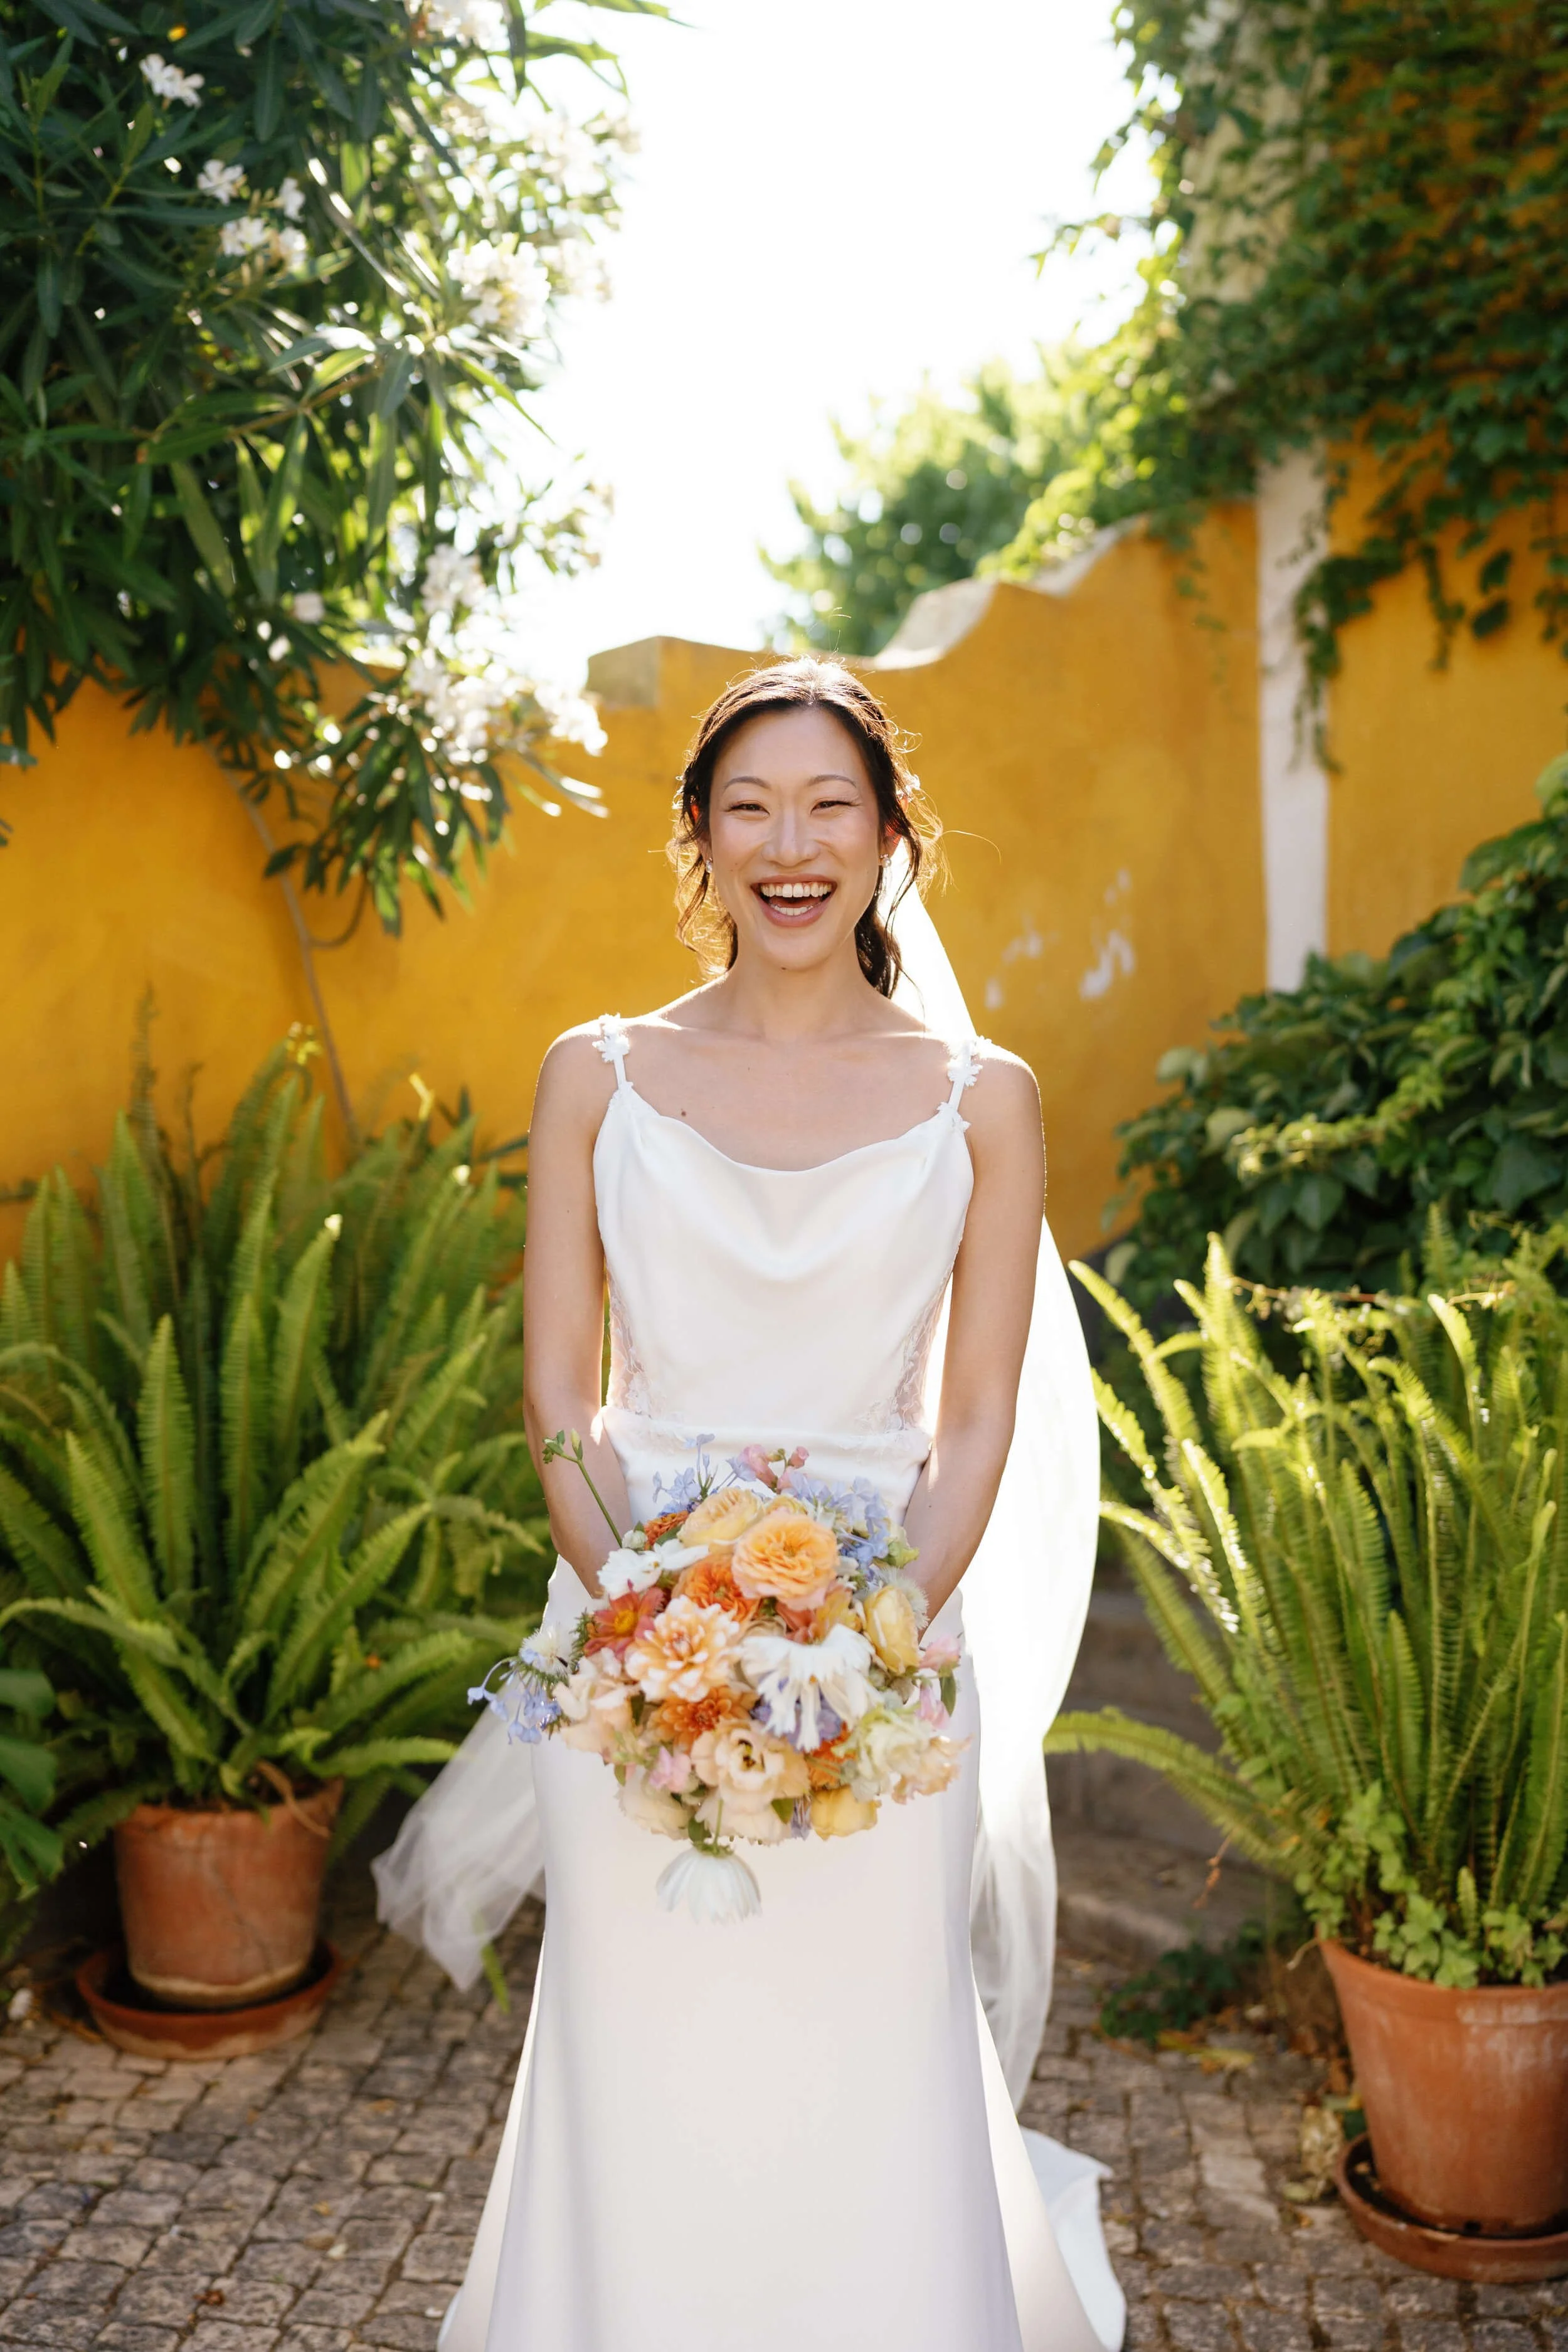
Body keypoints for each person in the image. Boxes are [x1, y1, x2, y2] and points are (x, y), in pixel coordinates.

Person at [373, 658, 1121, 2352]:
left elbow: (979, 1409)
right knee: (644, 2050)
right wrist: (651, 1621)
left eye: (827, 806)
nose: (790, 844)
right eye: (749, 807)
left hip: (893, 1642)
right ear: (700, 842)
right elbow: (561, 1400)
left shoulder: (978, 1097)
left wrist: (869, 1638)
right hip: (627, 1635)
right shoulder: (598, 1072)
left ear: (885, 837)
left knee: (864, 2047)